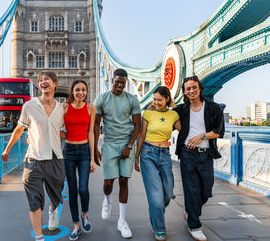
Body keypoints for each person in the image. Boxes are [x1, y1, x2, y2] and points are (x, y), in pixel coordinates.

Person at [1, 71, 65, 241]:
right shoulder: (29, 106)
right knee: (34, 200)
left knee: (56, 196)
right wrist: (7, 149)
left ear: (55, 83)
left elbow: (64, 132)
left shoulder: (61, 109)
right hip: (34, 160)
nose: (43, 82)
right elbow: (19, 129)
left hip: (55, 159)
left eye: (47, 79)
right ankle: (39, 237)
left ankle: (52, 210)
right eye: (41, 80)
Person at [175, 76, 225, 241]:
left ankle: (191, 211)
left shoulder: (213, 108)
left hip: (206, 154)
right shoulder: (181, 110)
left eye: (194, 87)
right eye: (188, 88)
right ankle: (194, 225)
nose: (191, 91)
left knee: (206, 189)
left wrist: (201, 136)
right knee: (191, 190)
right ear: (184, 92)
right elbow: (165, 114)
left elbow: (218, 131)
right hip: (187, 153)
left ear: (200, 88)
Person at [93, 68, 141, 239]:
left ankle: (122, 220)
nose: (120, 85)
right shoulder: (102, 99)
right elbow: (96, 125)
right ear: (112, 79)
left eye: (123, 82)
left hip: (126, 143)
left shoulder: (132, 99)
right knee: (108, 182)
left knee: (123, 180)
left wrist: (129, 146)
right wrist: (94, 149)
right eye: (117, 81)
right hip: (109, 144)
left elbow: (138, 126)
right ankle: (107, 200)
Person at [134, 86, 181, 241]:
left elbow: (185, 131)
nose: (155, 102)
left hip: (165, 155)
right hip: (148, 154)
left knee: (168, 193)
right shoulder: (148, 113)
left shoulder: (173, 115)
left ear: (167, 99)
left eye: (159, 100)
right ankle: (159, 228)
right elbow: (141, 136)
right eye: (154, 99)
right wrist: (136, 157)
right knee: (155, 196)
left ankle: (156, 209)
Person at [61, 80, 96, 240]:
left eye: (83, 90)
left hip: (83, 152)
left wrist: (92, 158)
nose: (80, 93)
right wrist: (66, 135)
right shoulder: (64, 107)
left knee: (83, 189)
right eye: (77, 90)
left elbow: (91, 134)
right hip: (68, 151)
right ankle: (76, 226)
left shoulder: (90, 108)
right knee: (73, 191)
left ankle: (85, 216)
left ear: (86, 92)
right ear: (72, 92)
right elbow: (56, 127)